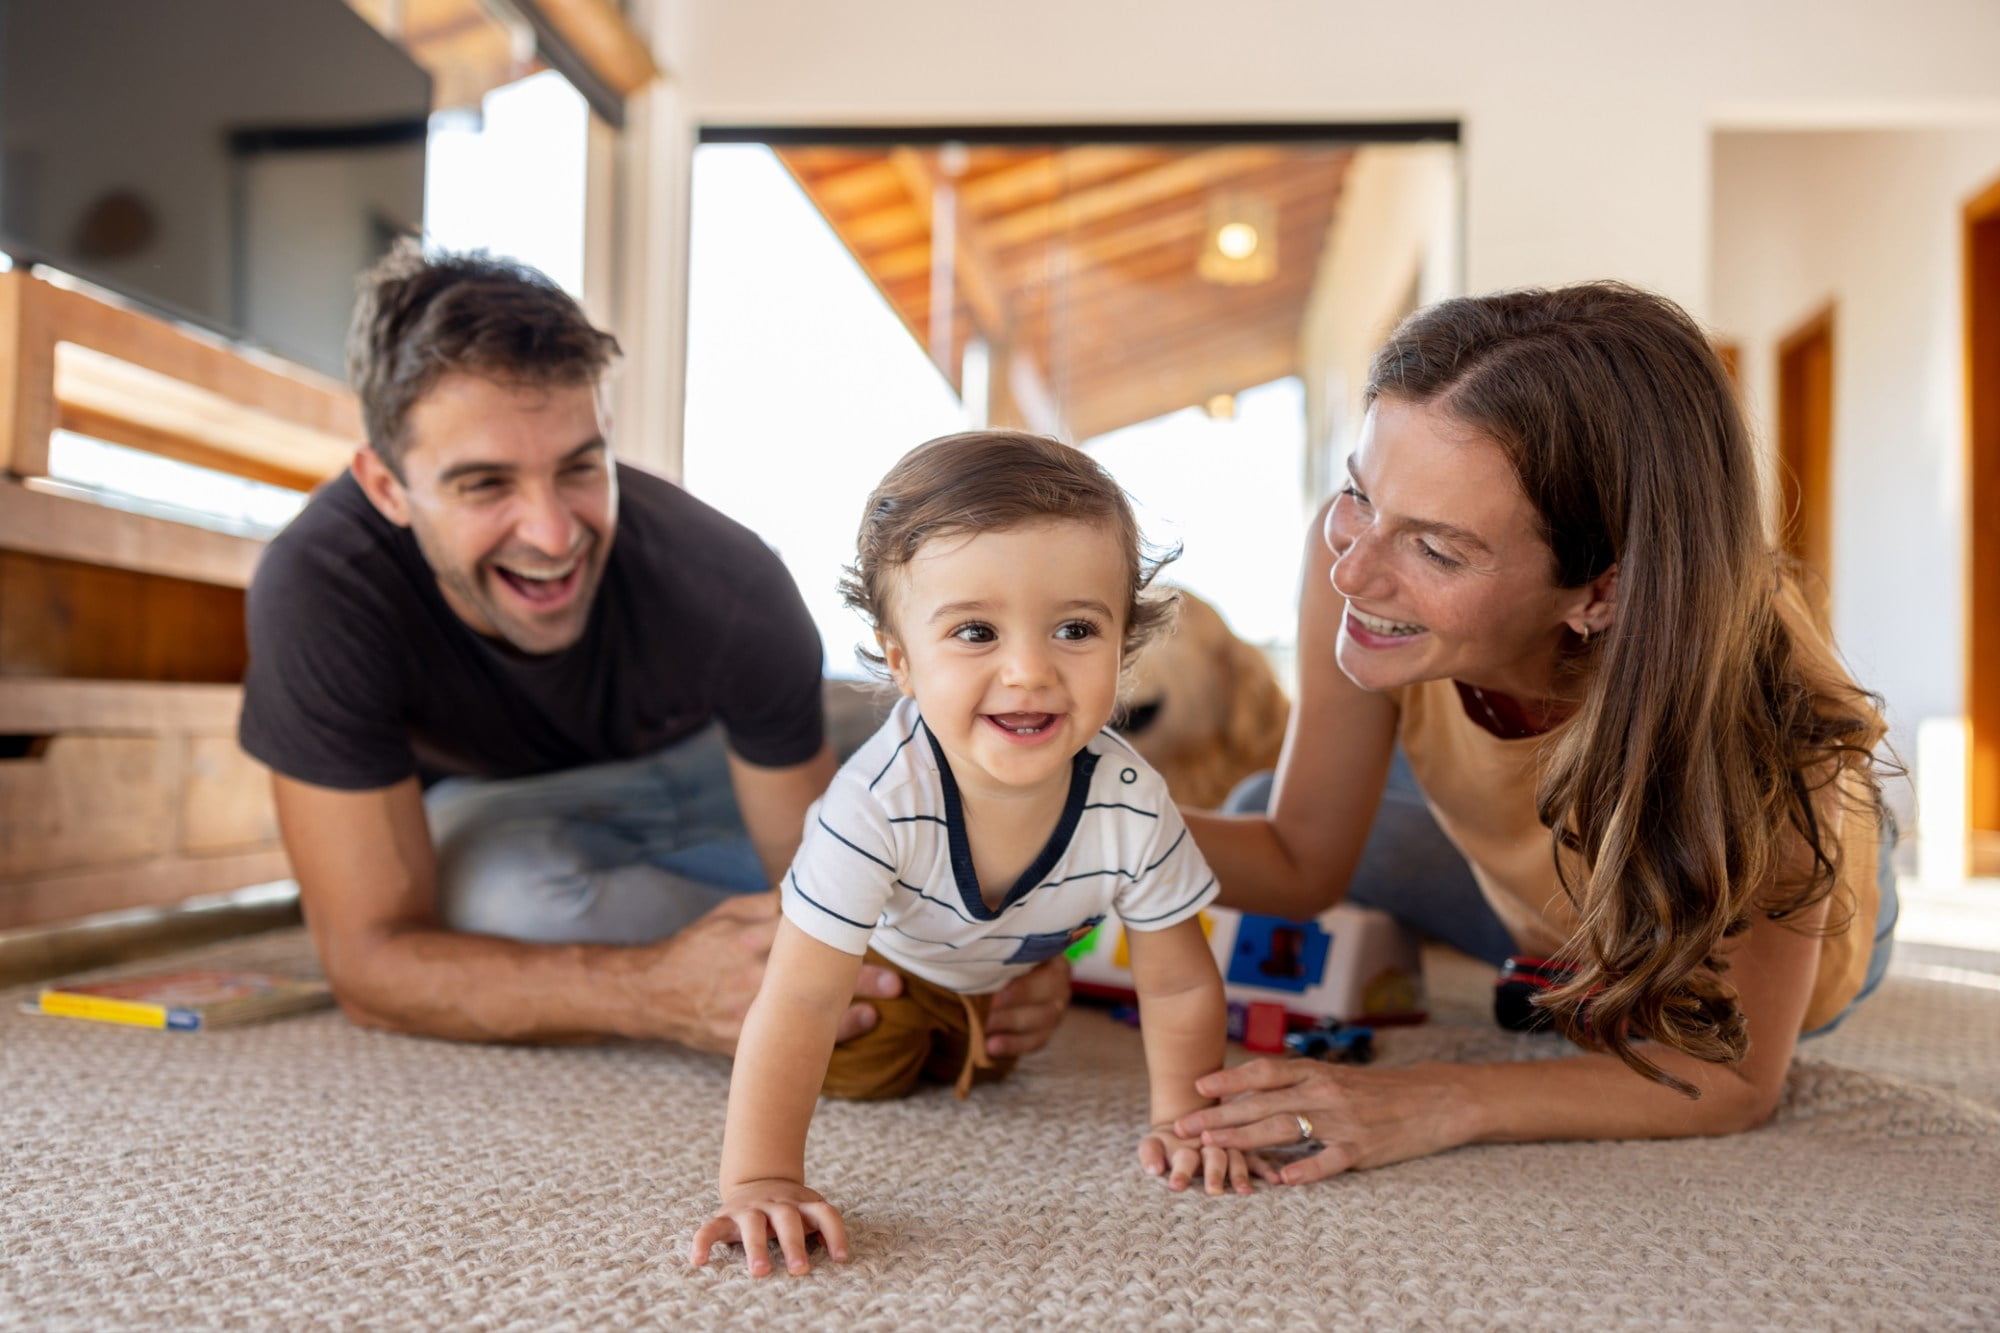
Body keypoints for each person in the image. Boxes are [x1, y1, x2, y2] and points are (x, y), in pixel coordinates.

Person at [238, 246, 1070, 1059]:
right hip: (523, 823)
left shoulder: (728, 578)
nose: (554, 533)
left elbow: (815, 883)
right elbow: (370, 961)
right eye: (486, 484)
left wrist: (997, 935)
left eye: (580, 467)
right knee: (495, 898)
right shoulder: (321, 588)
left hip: (739, 772)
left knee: (971, 741)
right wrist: (657, 988)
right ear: (387, 487)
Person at [1171, 282, 1897, 1183]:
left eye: (1436, 549)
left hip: (1747, 913)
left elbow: (1736, 1077)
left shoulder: (1771, 705)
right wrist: (1063, 824)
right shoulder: (1350, 559)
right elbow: (1297, 856)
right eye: (1361, 493)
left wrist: (1443, 1097)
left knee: (1661, 989)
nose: (1353, 568)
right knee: (1239, 812)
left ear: (1603, 591)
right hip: (1546, 885)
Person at [691, 431, 1254, 1279]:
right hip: (874, 960)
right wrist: (761, 1176)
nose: (1028, 671)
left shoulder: (1132, 798)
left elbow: (1175, 978)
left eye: (1074, 628)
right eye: (976, 632)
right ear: (901, 659)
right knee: (866, 1052)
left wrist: (1182, 1116)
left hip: (1001, 965)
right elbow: (804, 999)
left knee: (991, 1059)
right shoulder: (876, 801)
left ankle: (968, 1028)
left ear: (1124, 645)